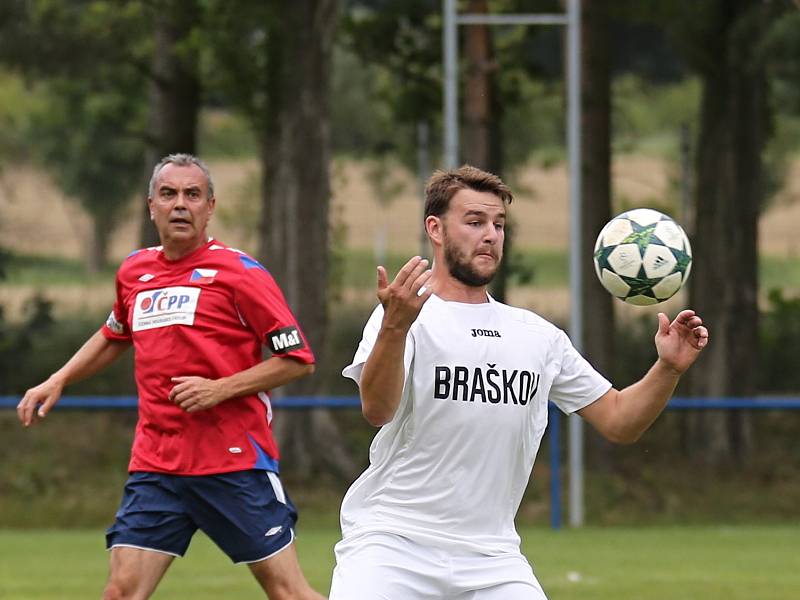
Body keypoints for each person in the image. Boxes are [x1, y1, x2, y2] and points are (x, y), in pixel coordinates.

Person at [329, 165, 709, 599]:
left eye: (499, 224)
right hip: (392, 545)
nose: (490, 234)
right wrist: (394, 328)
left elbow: (621, 421)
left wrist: (668, 369)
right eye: (474, 222)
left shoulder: (536, 336)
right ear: (435, 229)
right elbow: (377, 411)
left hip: (493, 559)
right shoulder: (403, 317)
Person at [17, 154, 326, 600]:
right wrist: (59, 378)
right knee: (121, 591)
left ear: (210, 207)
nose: (180, 204)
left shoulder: (240, 273)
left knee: (288, 592)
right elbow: (114, 334)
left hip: (232, 462)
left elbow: (299, 360)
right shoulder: (135, 272)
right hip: (157, 464)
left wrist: (219, 389)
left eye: (192, 194)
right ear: (151, 207)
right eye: (169, 194)